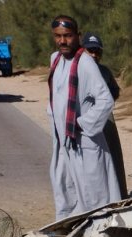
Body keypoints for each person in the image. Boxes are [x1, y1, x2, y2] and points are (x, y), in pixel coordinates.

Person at [48, 15, 121, 221]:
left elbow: (105, 100)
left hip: (83, 139)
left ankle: (98, 229)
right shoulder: (55, 60)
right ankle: (69, 224)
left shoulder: (85, 63)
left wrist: (82, 124)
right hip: (63, 139)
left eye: (68, 36)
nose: (63, 41)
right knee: (65, 183)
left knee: (93, 190)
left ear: (77, 36)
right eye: (58, 36)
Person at [82, 32, 127, 199]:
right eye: (90, 50)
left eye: (97, 51)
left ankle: (120, 196)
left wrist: (102, 106)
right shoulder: (76, 70)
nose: (94, 54)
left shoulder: (105, 71)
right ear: (83, 50)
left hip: (105, 119)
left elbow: (115, 91)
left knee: (113, 156)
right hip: (84, 120)